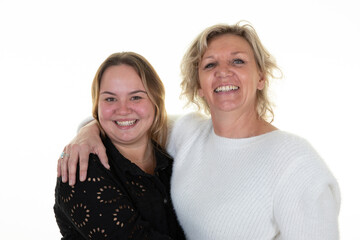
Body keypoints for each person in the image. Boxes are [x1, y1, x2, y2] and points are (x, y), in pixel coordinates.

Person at [58, 22, 341, 239]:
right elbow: (128, 120)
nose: (223, 71)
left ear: (261, 77)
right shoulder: (187, 133)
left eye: (238, 61)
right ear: (199, 84)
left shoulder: (297, 163)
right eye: (210, 64)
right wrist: (88, 131)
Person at [54, 52, 185, 239]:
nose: (123, 110)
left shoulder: (173, 160)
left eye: (136, 97)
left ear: (156, 101)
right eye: (110, 99)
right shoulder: (83, 168)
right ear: (97, 106)